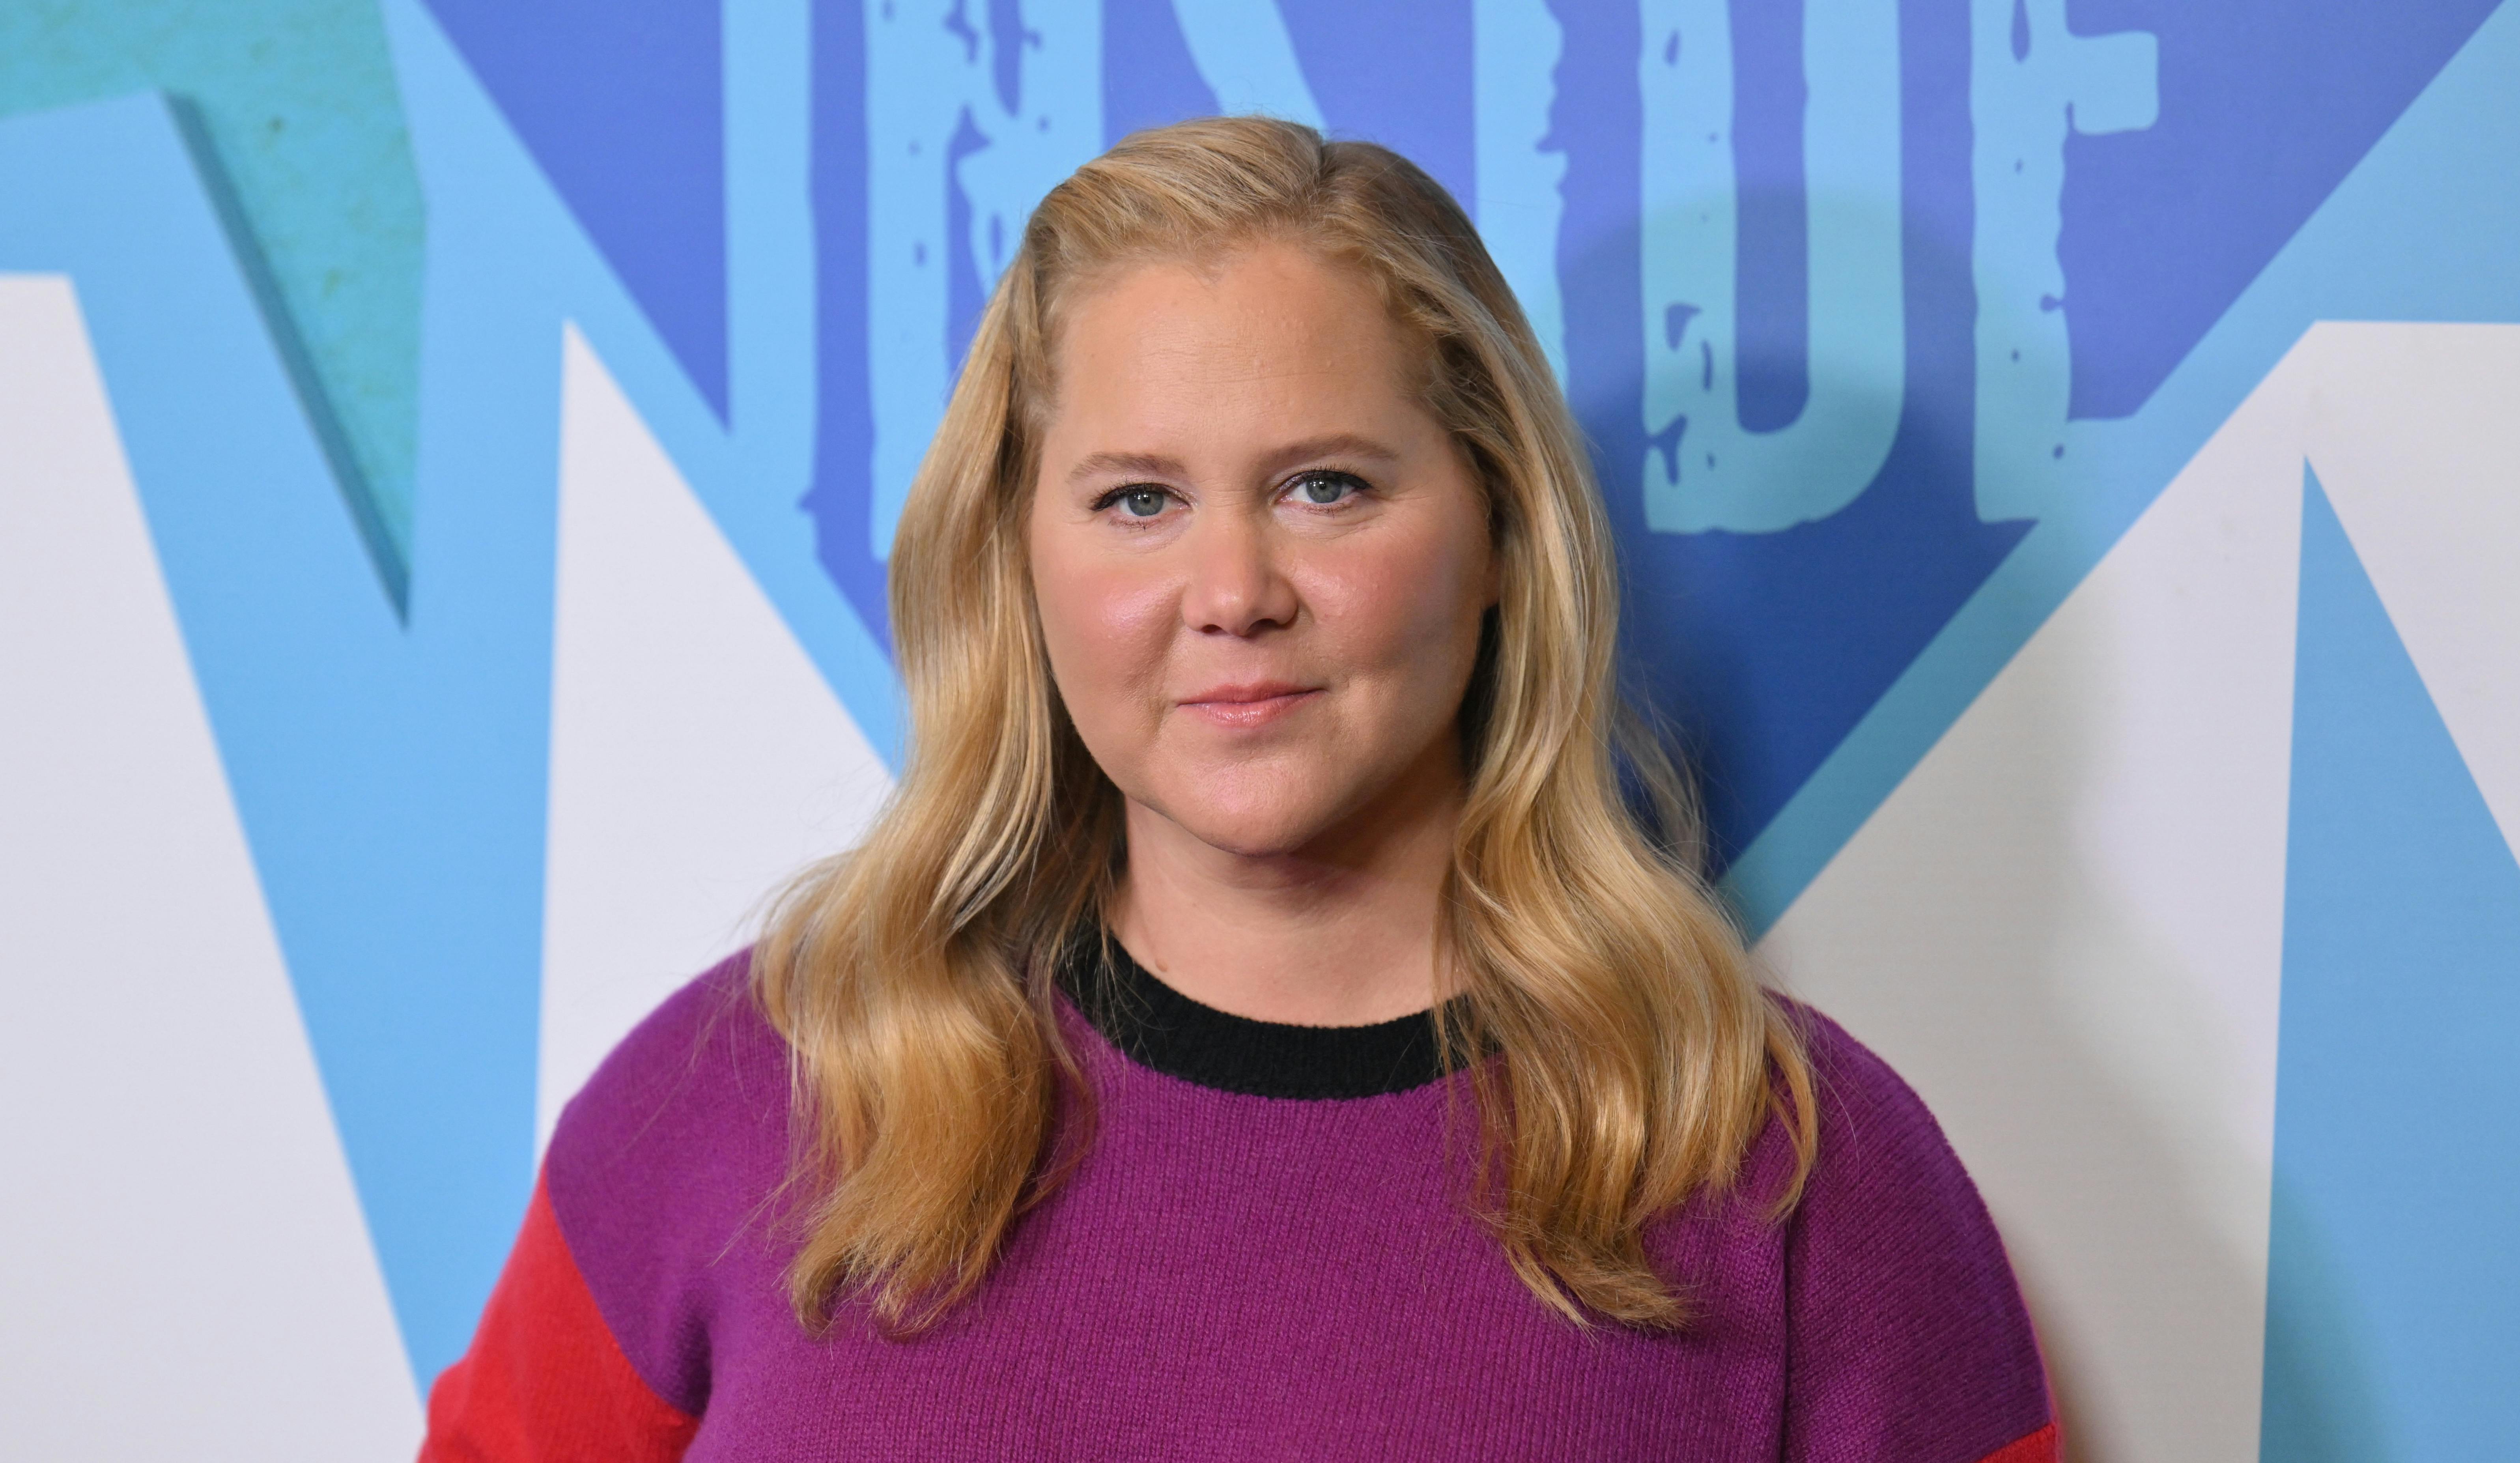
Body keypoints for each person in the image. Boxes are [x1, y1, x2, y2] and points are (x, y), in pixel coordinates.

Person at [422, 117, 2057, 1461]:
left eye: (1325, 487)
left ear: (1501, 534)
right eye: (1137, 501)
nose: (1232, 593)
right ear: (1020, 561)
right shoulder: (744, 1095)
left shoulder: (1787, 1162)